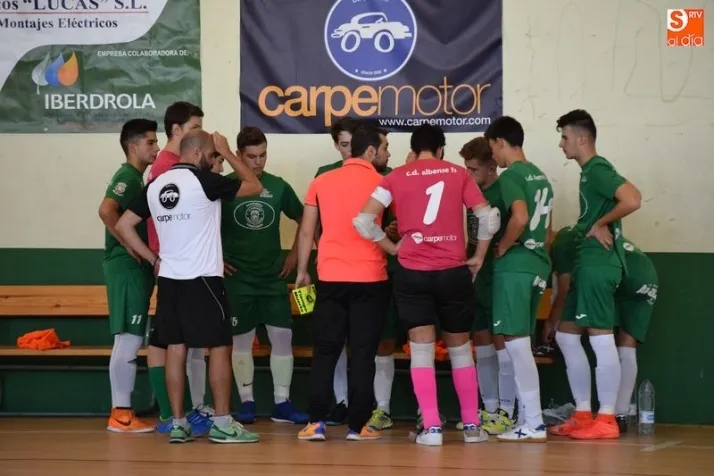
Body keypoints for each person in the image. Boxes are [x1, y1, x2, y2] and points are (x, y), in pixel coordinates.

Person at [115, 130, 263, 444]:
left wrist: (154, 260)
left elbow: (123, 225)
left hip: (169, 280)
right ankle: (222, 423)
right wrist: (229, 152)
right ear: (197, 154)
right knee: (220, 346)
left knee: (175, 347)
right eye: (211, 155)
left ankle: (178, 424)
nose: (213, 160)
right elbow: (254, 185)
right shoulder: (203, 180)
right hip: (204, 279)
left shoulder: (156, 184)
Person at [355, 124, 498, 446]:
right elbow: (488, 218)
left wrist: (393, 248)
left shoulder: (395, 176)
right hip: (453, 271)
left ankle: (431, 428)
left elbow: (363, 221)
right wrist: (478, 256)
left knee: (421, 350)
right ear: (441, 150)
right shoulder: (458, 174)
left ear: (413, 149)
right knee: (460, 348)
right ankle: (472, 426)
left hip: (412, 273)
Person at [548, 109, 642, 440]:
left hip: (599, 265)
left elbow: (633, 199)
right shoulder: (588, 173)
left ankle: (606, 419)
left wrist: (602, 223)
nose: (561, 144)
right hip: (585, 264)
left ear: (582, 139)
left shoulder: (598, 169)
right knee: (566, 335)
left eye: (565, 137)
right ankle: (583, 413)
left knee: (601, 338)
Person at [295, 124, 391, 441]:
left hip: (330, 277)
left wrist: (302, 270)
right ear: (371, 151)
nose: (386, 154)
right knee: (362, 353)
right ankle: (358, 426)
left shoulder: (321, 181)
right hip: (371, 278)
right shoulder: (383, 183)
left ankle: (316, 423)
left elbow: (307, 230)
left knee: (325, 351)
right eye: (384, 148)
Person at [223, 127, 308, 425]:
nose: (258, 162)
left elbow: (305, 218)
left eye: (262, 155)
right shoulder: (225, 186)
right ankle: (247, 402)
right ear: (238, 155)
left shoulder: (278, 186)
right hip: (238, 278)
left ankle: (282, 403)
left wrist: (295, 254)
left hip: (273, 277)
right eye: (251, 156)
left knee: (282, 337)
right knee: (242, 341)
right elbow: (202, 223)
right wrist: (216, 257)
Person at [142, 102, 214, 435]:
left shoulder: (174, 165)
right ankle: (173, 414)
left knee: (182, 341)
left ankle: (182, 412)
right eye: (195, 127)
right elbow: (121, 217)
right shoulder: (166, 168)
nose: (200, 132)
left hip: (182, 262)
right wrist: (154, 256)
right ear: (176, 130)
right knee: (168, 342)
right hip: (174, 264)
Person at [481, 116, 553, 443]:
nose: (493, 157)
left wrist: (503, 246)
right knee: (521, 343)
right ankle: (527, 418)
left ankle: (533, 422)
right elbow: (547, 232)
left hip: (516, 266)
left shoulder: (512, 175)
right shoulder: (541, 176)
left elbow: (520, 218)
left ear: (500, 141)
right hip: (539, 264)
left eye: (492, 148)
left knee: (516, 345)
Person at [547, 227, 658, 435]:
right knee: (627, 345)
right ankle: (619, 416)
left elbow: (565, 288)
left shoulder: (562, 242)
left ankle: (594, 415)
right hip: (645, 275)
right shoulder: (576, 233)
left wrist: (551, 321)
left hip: (615, 274)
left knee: (580, 337)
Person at [99, 118, 160, 433]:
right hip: (126, 266)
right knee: (129, 337)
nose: (157, 147)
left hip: (134, 268)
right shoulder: (127, 176)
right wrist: (129, 245)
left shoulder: (138, 178)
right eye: (151, 142)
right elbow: (106, 210)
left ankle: (123, 411)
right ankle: (121, 414)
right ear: (133, 146)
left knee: (131, 337)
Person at [457, 136, 516, 435]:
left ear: (492, 167)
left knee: (502, 341)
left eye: (473, 170)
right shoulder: (471, 193)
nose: (468, 175)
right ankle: (489, 409)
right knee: (481, 340)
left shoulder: (504, 192)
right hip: (476, 278)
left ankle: (508, 410)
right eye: (465, 169)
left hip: (500, 276)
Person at [314, 116, 361, 426]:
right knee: (335, 340)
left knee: (363, 341)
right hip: (333, 270)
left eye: (353, 144)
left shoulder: (378, 172)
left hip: (368, 271)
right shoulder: (324, 175)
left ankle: (367, 405)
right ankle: (341, 400)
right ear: (336, 145)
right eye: (344, 145)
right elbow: (312, 224)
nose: (349, 150)